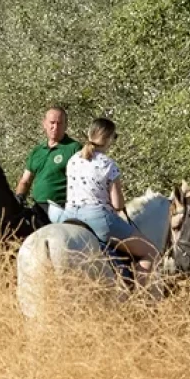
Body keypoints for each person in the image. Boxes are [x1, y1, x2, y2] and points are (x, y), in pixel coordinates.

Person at [57, 117, 158, 284]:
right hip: (98, 220)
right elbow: (118, 205)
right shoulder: (108, 164)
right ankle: (140, 304)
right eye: (114, 137)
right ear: (109, 138)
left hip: (69, 217)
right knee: (150, 252)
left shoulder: (72, 160)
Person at [15, 106, 81, 222]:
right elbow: (25, 180)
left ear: (65, 126)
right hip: (38, 209)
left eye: (59, 123)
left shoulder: (74, 148)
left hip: (62, 209)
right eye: (52, 122)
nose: (55, 127)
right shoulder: (37, 151)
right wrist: (19, 197)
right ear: (44, 124)